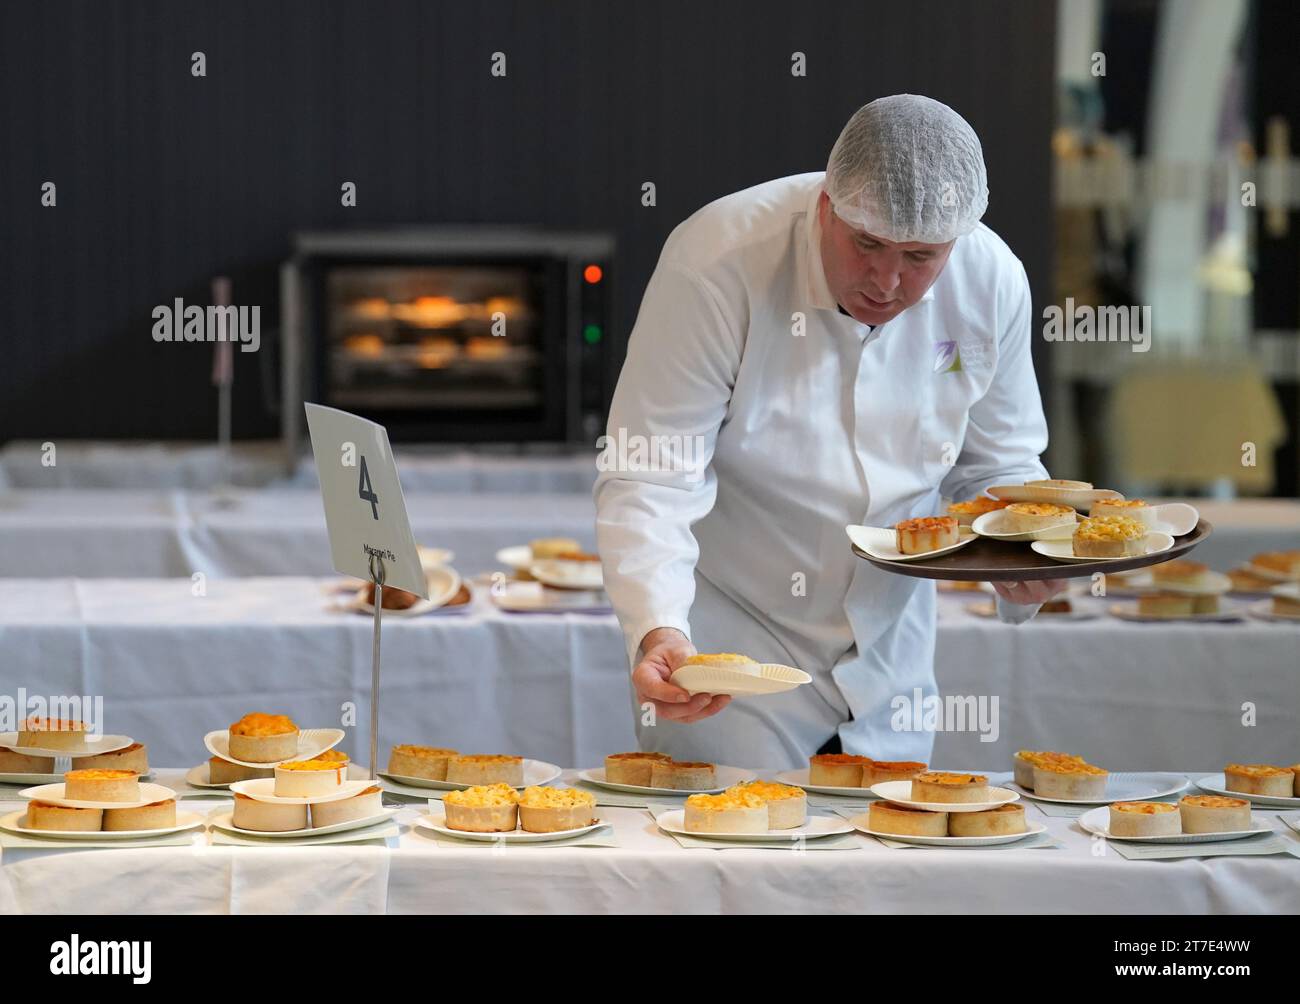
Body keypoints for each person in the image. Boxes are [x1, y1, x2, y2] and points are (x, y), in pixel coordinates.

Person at [594, 94, 1065, 768]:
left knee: (888, 862)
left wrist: (1028, 553)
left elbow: (999, 461)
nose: (887, 279)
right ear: (826, 204)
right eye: (866, 243)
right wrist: (657, 626)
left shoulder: (991, 279)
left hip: (891, 651)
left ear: (956, 242)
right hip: (731, 652)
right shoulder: (718, 260)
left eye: (920, 256)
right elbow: (652, 470)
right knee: (733, 858)